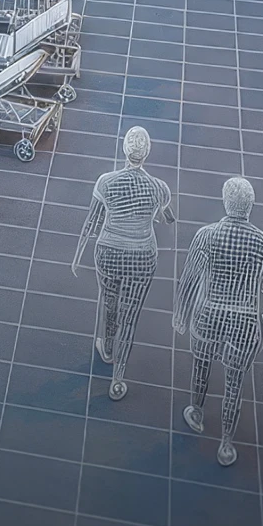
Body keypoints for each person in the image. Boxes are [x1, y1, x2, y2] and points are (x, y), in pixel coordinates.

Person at [173, 176, 263, 465]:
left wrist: (181, 315)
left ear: (225, 202)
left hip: (208, 314)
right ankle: (225, 444)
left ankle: (196, 412)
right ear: (250, 206)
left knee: (201, 367)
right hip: (245, 322)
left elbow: (189, 278)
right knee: (235, 383)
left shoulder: (206, 235)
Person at [72, 127, 173, 400]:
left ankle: (105, 347)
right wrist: (158, 215)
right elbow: (167, 217)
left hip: (108, 251)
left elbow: (91, 222)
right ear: (147, 153)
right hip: (142, 255)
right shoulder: (159, 187)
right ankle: (118, 380)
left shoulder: (105, 181)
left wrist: (78, 254)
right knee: (131, 317)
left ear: (124, 149)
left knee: (109, 301)